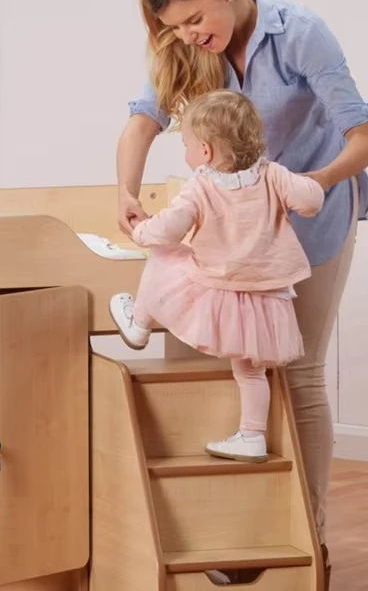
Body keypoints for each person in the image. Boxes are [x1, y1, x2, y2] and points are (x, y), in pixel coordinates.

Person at [117, 0, 368, 591]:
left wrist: (306, 184)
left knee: (301, 378)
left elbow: (360, 135)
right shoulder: (184, 45)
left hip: (307, 228)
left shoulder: (301, 35)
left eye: (196, 19)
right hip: (226, 241)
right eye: (175, 26)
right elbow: (143, 121)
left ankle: (307, 543)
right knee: (227, 377)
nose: (190, 35)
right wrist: (125, 189)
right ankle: (233, 534)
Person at [111, 90, 324, 463]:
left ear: (206, 152)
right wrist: (300, 186)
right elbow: (311, 200)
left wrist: (141, 231)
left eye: (188, 145)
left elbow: (168, 231)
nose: (188, 154)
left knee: (162, 255)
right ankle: (251, 435)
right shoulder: (272, 175)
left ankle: (139, 322)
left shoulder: (202, 184)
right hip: (265, 299)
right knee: (250, 373)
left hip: (221, 292)